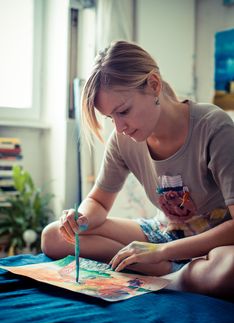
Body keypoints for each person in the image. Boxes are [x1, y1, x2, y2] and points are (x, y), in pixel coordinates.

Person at [41, 40, 234, 299]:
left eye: (123, 111)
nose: (120, 127)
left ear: (153, 85)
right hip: (164, 232)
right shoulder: (123, 140)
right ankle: (171, 273)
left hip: (214, 242)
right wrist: (80, 219)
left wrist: (162, 252)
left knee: (230, 268)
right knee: (53, 236)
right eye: (111, 118)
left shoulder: (214, 128)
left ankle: (165, 272)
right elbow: (98, 201)